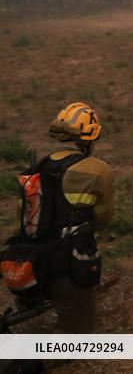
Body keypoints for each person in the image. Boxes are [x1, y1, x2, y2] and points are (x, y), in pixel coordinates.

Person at [1, 102, 113, 333]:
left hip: (30, 263)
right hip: (68, 266)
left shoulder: (37, 168)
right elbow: (104, 217)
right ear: (89, 139)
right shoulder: (97, 169)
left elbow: (21, 220)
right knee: (78, 336)